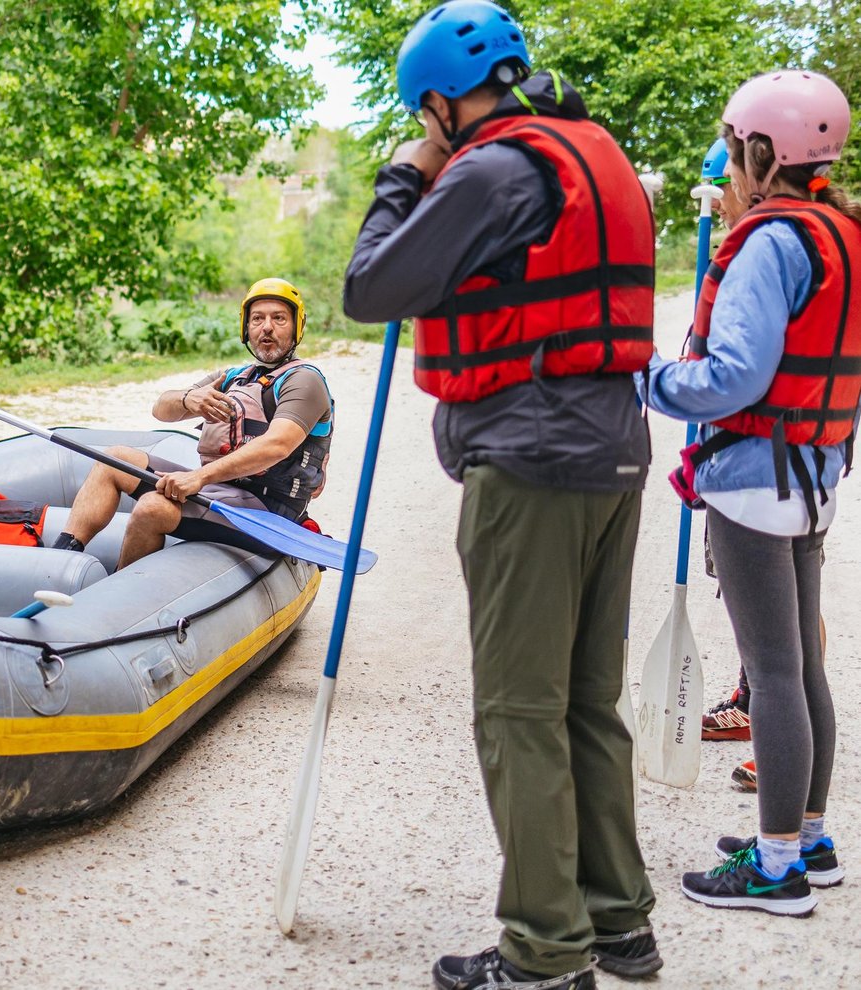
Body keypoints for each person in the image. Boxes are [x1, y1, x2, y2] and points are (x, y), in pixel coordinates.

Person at [343, 3, 660, 986]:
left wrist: (403, 175)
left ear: (440, 103)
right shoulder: (591, 150)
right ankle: (618, 925)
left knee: (520, 712)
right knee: (587, 705)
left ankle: (544, 951)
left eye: (423, 115)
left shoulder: (488, 166)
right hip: (613, 455)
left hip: (529, 463)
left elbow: (371, 287)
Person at [645, 69, 858, 916]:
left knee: (772, 671)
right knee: (800, 665)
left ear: (764, 153)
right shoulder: (839, 229)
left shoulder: (772, 241)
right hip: (810, 476)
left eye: (736, 149)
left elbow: (732, 378)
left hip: (755, 477)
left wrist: (647, 379)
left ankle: (776, 870)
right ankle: (808, 837)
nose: (731, 166)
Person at [52, 278, 332, 568]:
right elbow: (160, 409)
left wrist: (199, 477)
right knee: (114, 460)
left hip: (269, 512)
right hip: (223, 491)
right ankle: (63, 559)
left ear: (297, 326)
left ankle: (116, 599)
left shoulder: (304, 381)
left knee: (152, 507)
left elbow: (277, 445)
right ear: (246, 328)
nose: (267, 327)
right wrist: (189, 399)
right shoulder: (236, 376)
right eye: (257, 319)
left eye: (279, 319)